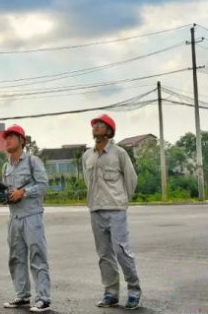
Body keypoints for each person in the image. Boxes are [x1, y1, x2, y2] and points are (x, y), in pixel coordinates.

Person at [82, 114, 142, 310]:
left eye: (101, 125)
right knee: (104, 254)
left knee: (121, 250)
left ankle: (133, 291)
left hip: (116, 209)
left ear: (109, 131)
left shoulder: (119, 153)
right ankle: (110, 293)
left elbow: (131, 179)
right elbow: (87, 181)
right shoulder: (87, 156)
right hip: (96, 209)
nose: (96, 128)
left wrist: (122, 200)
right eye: (94, 125)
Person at [1, 124, 52, 313]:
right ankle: (22, 296)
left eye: (12, 137)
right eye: (6, 138)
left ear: (22, 140)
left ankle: (44, 299)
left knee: (37, 257)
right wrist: (5, 196)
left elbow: (44, 185)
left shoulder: (33, 161)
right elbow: (9, 191)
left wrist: (23, 192)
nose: (7, 140)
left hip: (32, 216)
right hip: (14, 218)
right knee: (16, 258)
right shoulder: (6, 166)